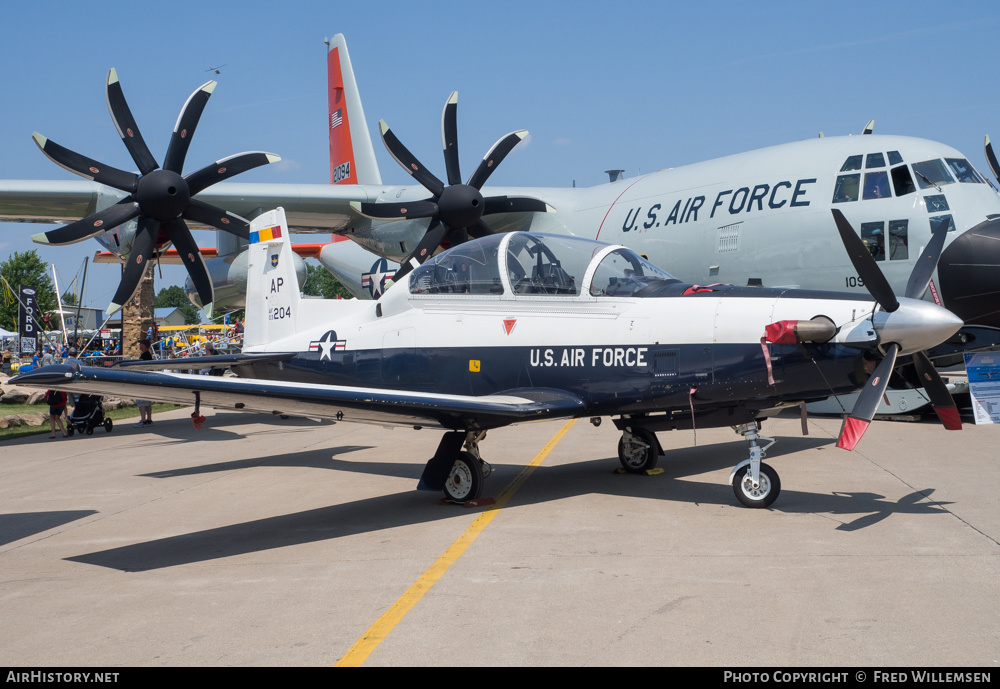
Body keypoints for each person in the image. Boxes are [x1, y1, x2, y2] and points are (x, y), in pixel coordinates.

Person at [134, 339, 154, 428]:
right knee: (147, 401)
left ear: (144, 345)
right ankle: (149, 419)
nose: (139, 345)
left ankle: (143, 420)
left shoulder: (145, 355)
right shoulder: (148, 355)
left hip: (143, 380)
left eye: (140, 344)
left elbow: (141, 367)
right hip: (148, 380)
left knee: (141, 400)